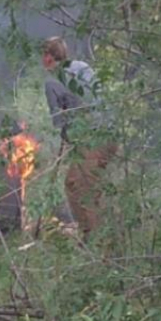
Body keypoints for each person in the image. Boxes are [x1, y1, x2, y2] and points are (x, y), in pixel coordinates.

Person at [41, 36, 117, 236]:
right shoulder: (82, 67)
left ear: (48, 57)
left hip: (92, 139)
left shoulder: (52, 81)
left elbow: (59, 121)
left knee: (81, 188)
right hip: (110, 136)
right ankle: (94, 235)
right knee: (79, 184)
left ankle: (94, 240)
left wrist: (67, 132)